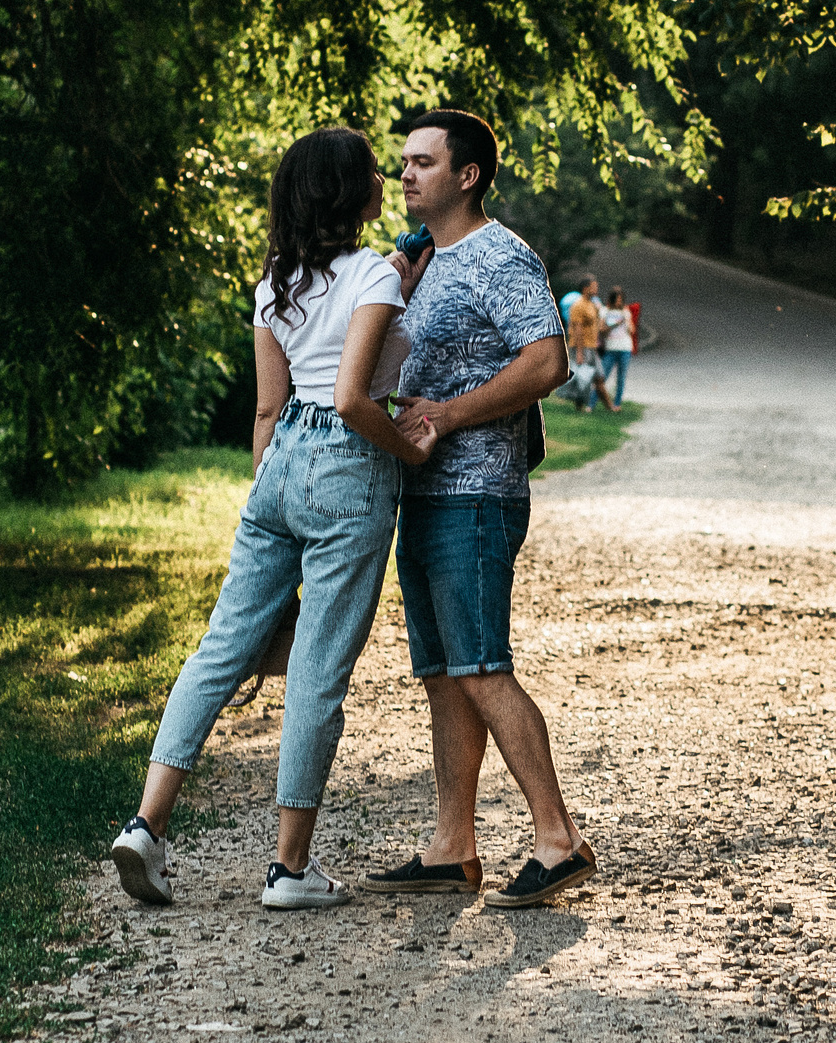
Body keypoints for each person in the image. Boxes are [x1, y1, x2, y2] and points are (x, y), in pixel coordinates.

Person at [110, 127, 435, 911]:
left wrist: (273, 497)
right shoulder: (373, 280)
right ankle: (290, 869)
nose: (386, 183)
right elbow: (356, 398)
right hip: (350, 467)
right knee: (318, 666)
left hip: (280, 462)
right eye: (373, 175)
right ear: (354, 195)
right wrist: (413, 450)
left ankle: (146, 824)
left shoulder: (277, 282)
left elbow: (267, 406)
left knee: (221, 646)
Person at [358, 108, 598, 909]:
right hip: (422, 493)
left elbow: (548, 361)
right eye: (402, 163)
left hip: (478, 494)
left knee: (483, 667)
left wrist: (450, 414)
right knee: (443, 675)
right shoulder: (424, 262)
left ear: (467, 175)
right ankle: (452, 846)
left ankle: (558, 839)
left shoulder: (502, 256)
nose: (406, 174)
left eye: (423, 162)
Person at [562, 287, 605, 412]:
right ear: (586, 288)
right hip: (582, 346)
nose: (596, 288)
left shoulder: (591, 304)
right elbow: (577, 330)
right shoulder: (578, 306)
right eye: (594, 286)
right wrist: (579, 352)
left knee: (598, 377)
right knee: (583, 378)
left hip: (591, 346)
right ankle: (580, 406)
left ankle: (606, 406)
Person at [599, 285, 635, 410]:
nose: (619, 301)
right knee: (602, 376)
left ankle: (617, 403)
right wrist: (615, 324)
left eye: (621, 299)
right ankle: (593, 402)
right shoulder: (605, 311)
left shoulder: (625, 312)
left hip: (625, 347)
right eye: (617, 299)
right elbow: (602, 329)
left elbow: (632, 330)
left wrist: (627, 320)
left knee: (621, 377)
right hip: (610, 347)